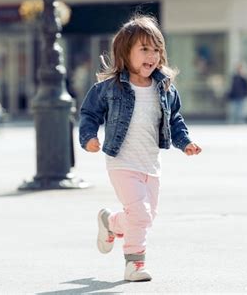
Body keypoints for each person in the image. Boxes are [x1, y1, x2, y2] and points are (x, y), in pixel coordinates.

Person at [78, 15, 202, 282]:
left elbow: (174, 119)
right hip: (121, 163)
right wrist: (89, 138)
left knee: (144, 217)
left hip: (151, 165)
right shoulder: (110, 88)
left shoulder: (165, 88)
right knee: (141, 214)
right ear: (126, 52)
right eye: (144, 49)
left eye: (157, 49)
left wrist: (185, 142)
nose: (152, 56)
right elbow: (89, 114)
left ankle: (110, 223)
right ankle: (134, 264)